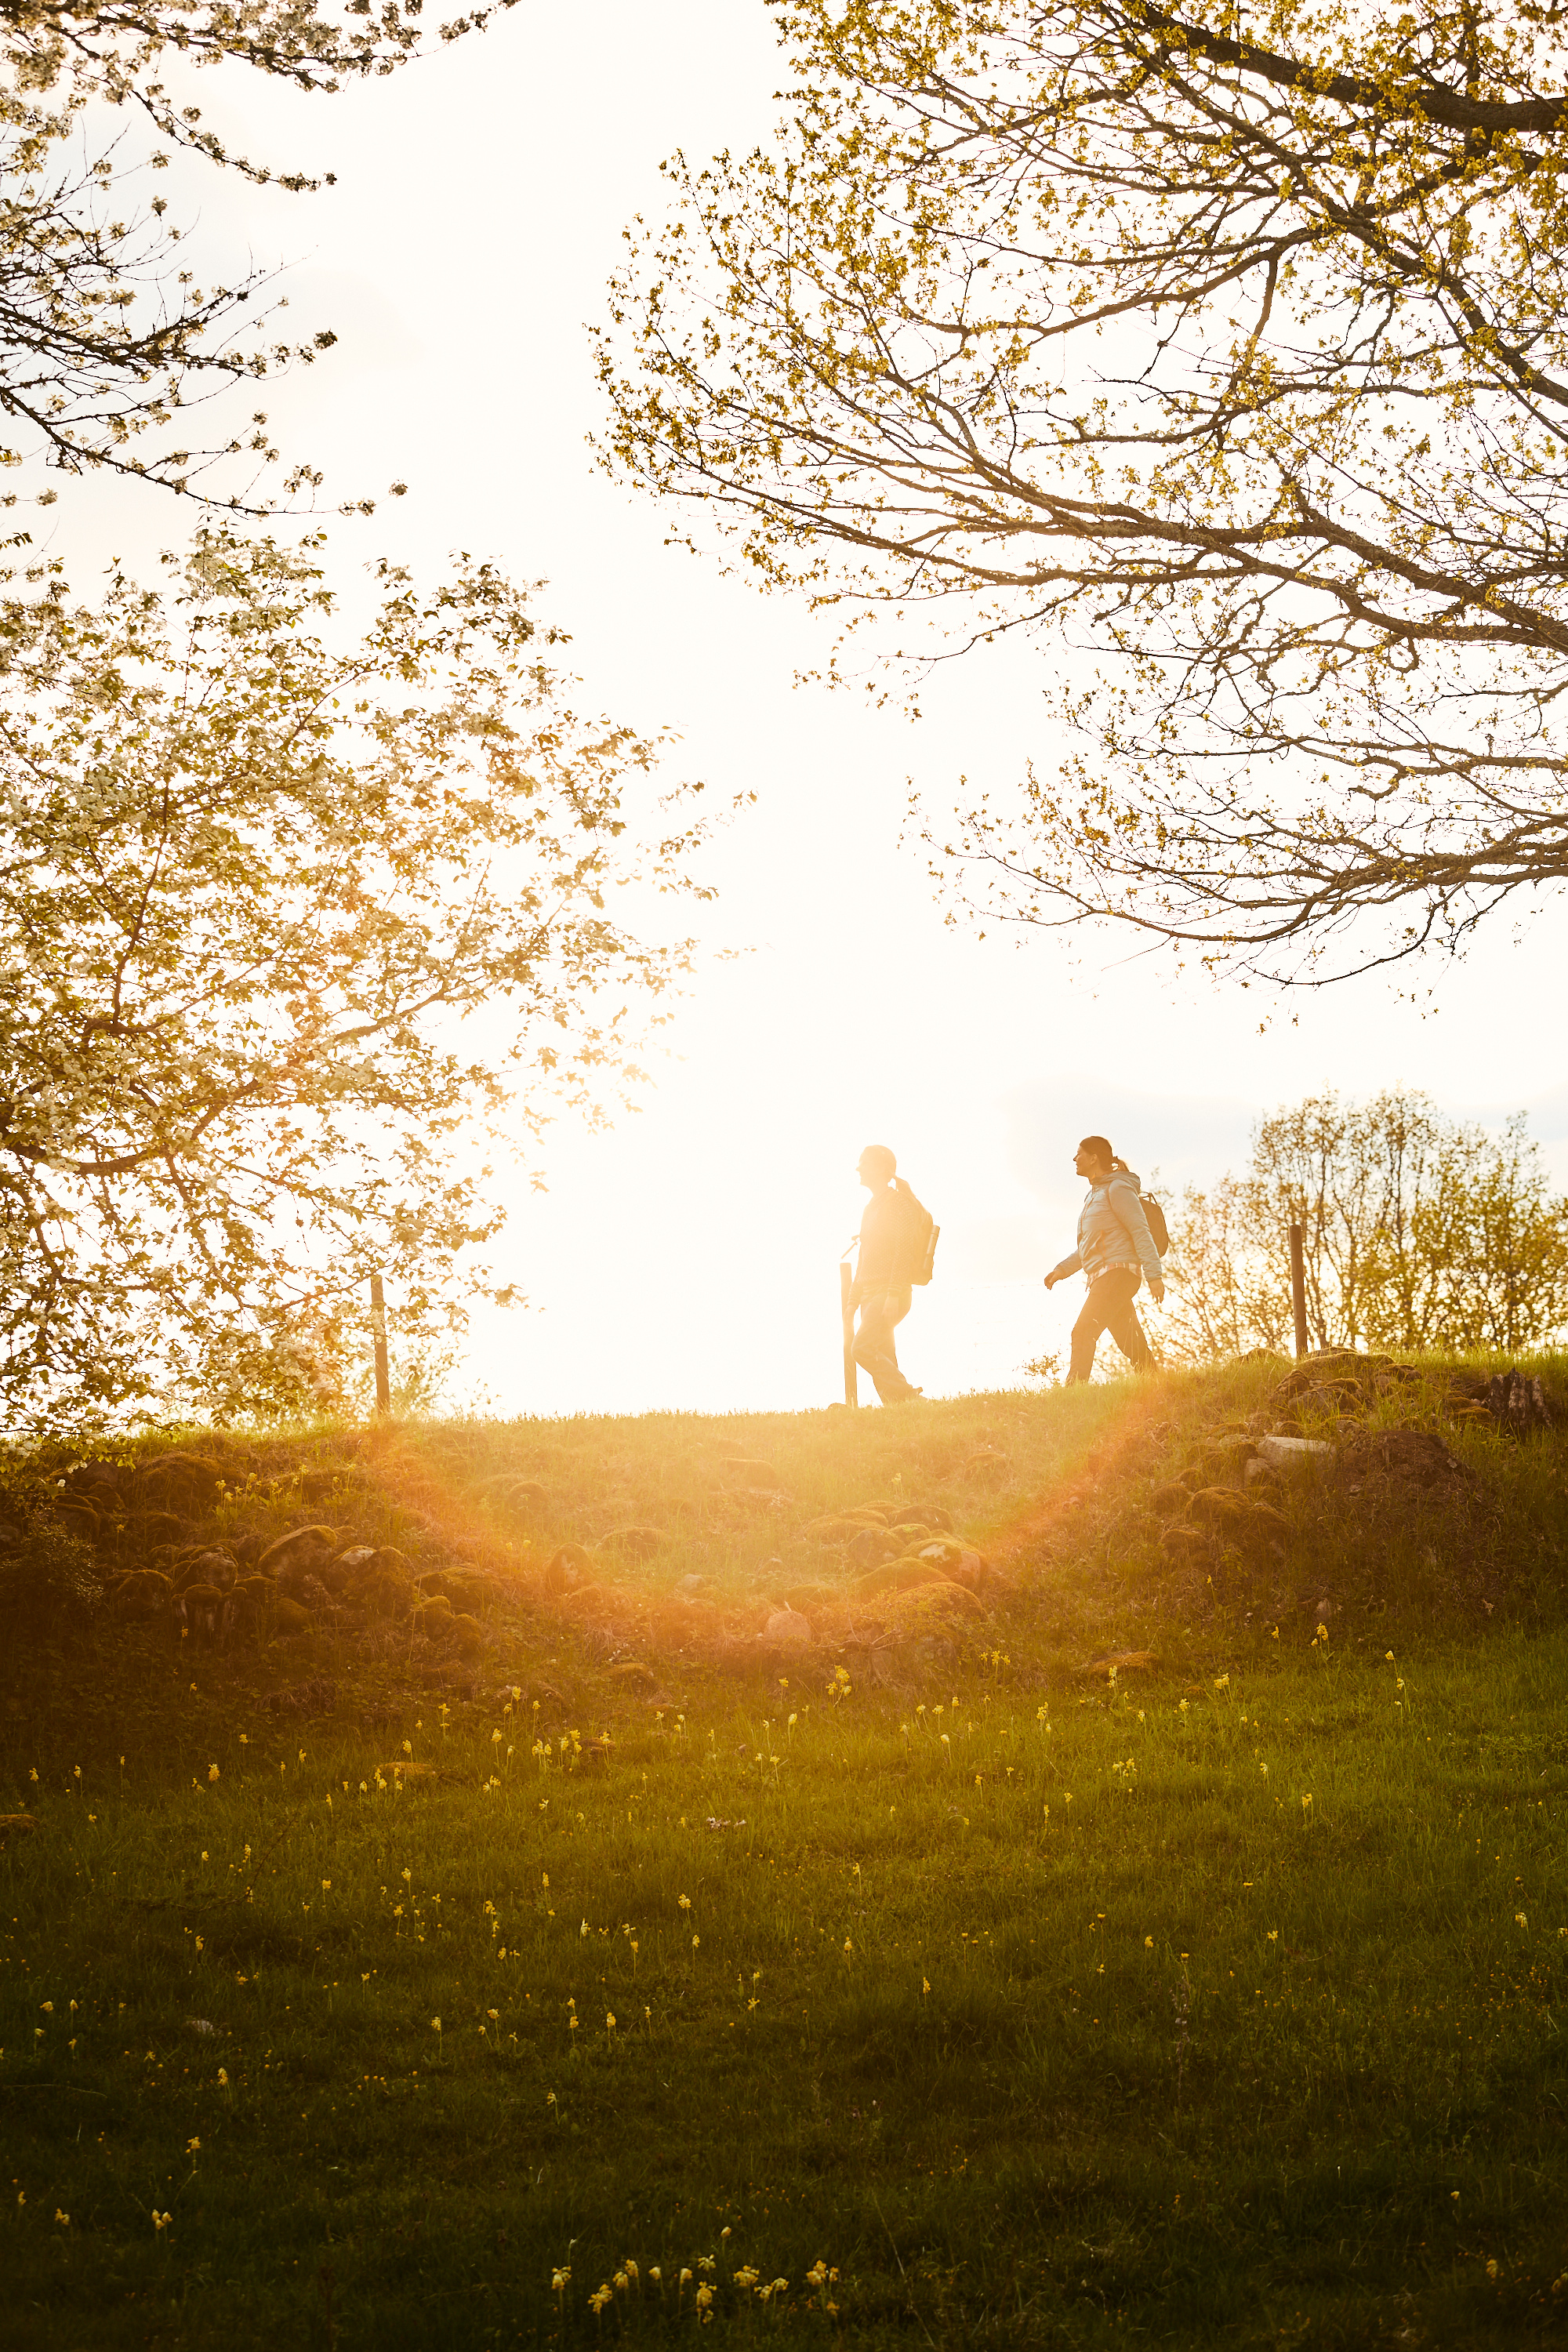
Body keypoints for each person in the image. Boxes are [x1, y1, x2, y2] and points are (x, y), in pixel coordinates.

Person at [1044, 1134, 1165, 1385]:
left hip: (1118, 1274)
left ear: (1094, 1158)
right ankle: (1156, 1384)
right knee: (1131, 1342)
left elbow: (1140, 1230)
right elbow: (1088, 1246)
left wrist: (1154, 1276)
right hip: (1103, 1276)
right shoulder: (1092, 1196)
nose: (1075, 1159)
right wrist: (1061, 1270)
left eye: (1079, 1153)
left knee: (1084, 1331)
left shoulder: (1117, 1188)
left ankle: (1074, 1395)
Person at [849, 1144, 925, 1404]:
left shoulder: (898, 1203)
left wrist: (893, 1294)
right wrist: (852, 1302)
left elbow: (902, 1251)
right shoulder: (870, 1207)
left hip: (889, 1293)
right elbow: (864, 1259)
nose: (858, 1168)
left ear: (883, 1169)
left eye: (864, 1163)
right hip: (870, 1295)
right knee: (883, 1355)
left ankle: (909, 1396)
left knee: (861, 1349)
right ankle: (901, 1411)